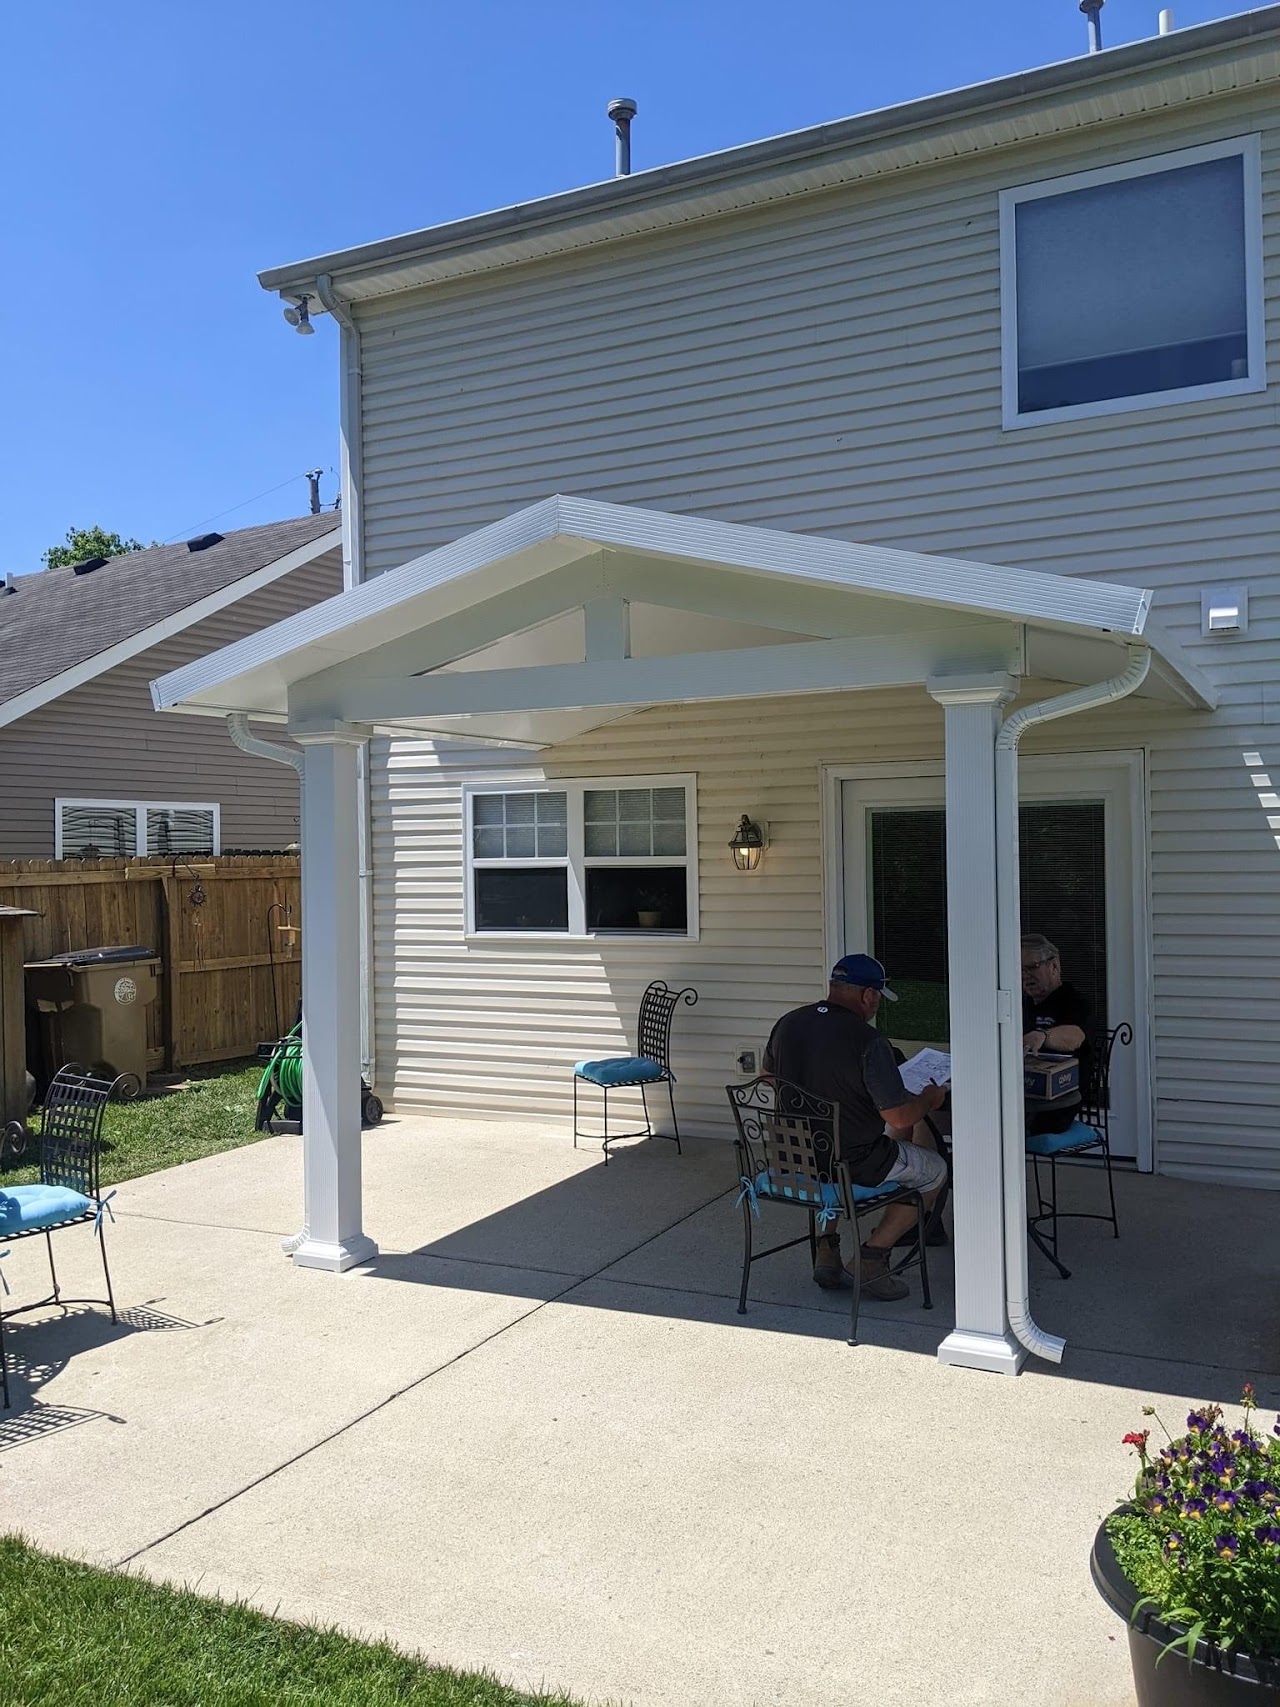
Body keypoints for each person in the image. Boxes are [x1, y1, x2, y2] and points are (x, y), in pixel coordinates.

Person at [762, 953, 948, 1302]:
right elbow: (900, 1118)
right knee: (934, 1171)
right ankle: (872, 1259)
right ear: (867, 995)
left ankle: (827, 1248)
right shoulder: (867, 1040)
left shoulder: (788, 1022)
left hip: (793, 1157)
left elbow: (767, 1076)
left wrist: (817, 1094)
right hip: (852, 1163)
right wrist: (929, 1099)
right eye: (877, 996)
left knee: (848, 1153)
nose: (876, 1003)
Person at [1021, 932, 1091, 1135]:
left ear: (1054, 966)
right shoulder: (1017, 1005)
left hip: (1058, 1104)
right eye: (1020, 969)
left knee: (985, 1122)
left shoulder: (1074, 1002)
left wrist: (1042, 1036)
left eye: (1032, 967)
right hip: (1020, 1095)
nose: (1025, 975)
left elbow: (1075, 1037)